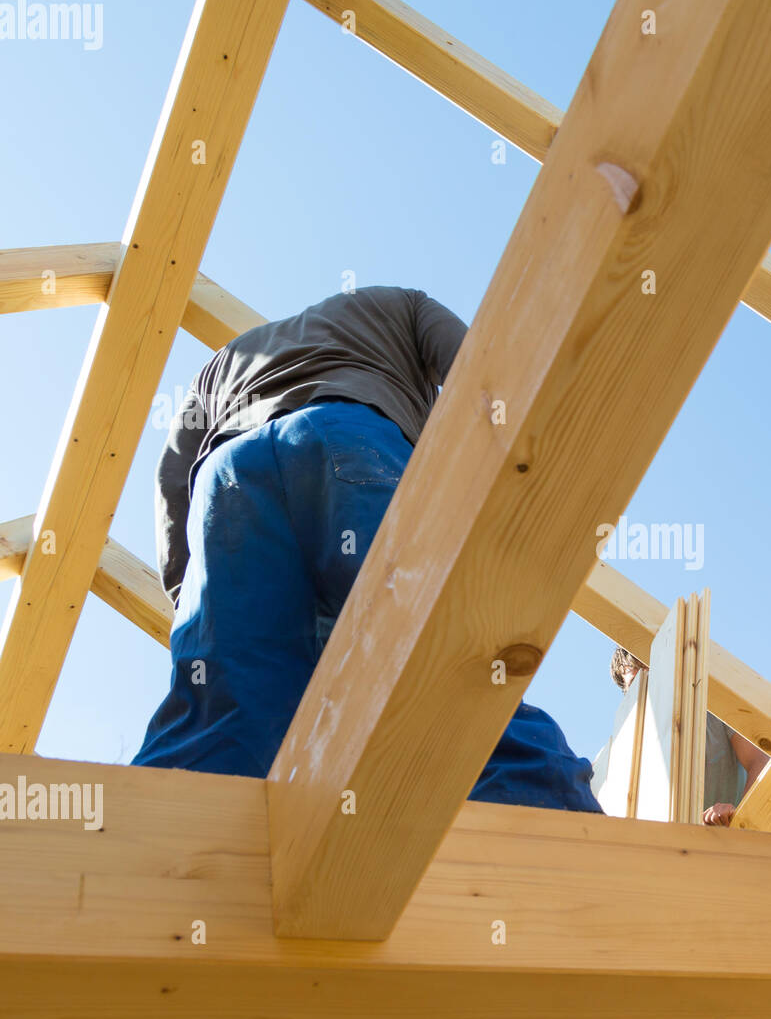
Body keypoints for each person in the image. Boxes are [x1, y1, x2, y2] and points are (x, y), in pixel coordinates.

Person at [133, 283, 601, 813]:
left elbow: (174, 482)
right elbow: (483, 376)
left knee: (225, 703)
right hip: (349, 442)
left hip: (231, 477)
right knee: (437, 662)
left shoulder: (223, 362)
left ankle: (154, 844)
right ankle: (555, 822)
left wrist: (197, 603)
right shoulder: (402, 305)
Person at [609, 646, 768, 825]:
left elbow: (759, 762)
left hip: (742, 835)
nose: (650, 687)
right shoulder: (635, 751)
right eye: (637, 684)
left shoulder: (712, 708)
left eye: (653, 675)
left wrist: (739, 819)